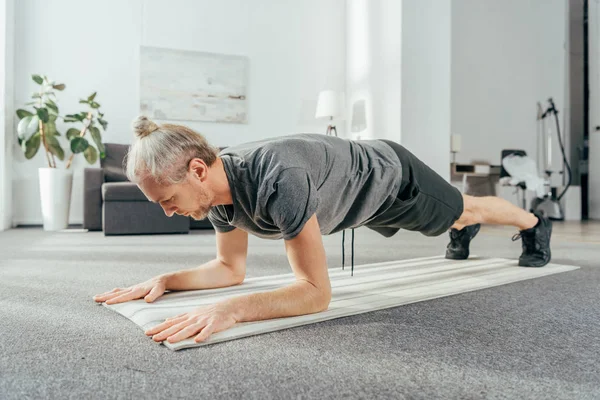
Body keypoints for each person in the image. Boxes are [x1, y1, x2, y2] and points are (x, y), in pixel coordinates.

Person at [93, 116, 552, 345]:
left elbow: (315, 292)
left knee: (464, 209)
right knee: (456, 219)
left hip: (391, 178)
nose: (170, 213)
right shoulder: (216, 193)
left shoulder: (278, 180)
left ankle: (534, 223)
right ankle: (460, 230)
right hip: (355, 200)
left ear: (196, 170)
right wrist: (167, 281)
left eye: (168, 201)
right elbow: (228, 268)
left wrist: (232, 312)